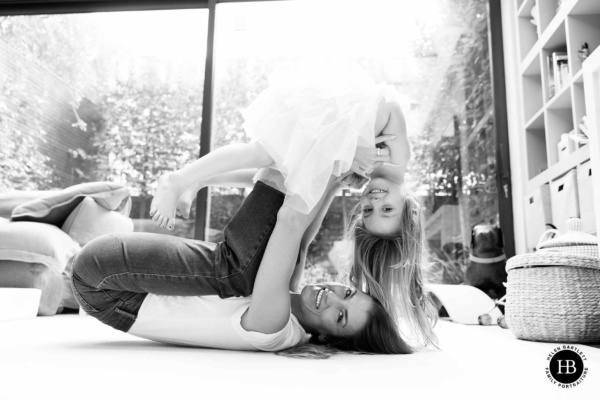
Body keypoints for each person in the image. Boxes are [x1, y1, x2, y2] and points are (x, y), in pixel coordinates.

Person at [148, 65, 437, 349]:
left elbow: (292, 195)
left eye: (368, 212)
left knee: (272, 168)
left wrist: (350, 158)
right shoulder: (396, 157)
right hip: (338, 108)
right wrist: (355, 140)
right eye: (387, 209)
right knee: (263, 155)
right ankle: (180, 179)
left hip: (332, 125)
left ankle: (193, 182)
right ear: (410, 207)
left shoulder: (363, 172)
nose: (374, 203)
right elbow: (388, 105)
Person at [72, 170, 410, 358]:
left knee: (234, 271)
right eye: (347, 293)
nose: (332, 296)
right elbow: (304, 239)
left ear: (326, 338)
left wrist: (322, 161)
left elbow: (291, 222)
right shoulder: (289, 300)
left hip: (108, 285)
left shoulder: (277, 329)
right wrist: (333, 184)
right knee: (251, 265)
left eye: (340, 315)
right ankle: (266, 169)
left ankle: (194, 178)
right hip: (111, 274)